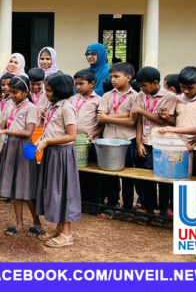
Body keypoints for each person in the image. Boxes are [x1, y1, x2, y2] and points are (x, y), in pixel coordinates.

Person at [0, 75, 39, 236]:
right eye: (10, 92)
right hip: (10, 146)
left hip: (26, 147)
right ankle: (19, 223)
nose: (11, 95)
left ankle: (37, 223)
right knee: (15, 186)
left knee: (27, 186)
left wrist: (4, 131)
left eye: (15, 92)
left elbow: (28, 132)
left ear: (25, 93)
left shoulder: (31, 108)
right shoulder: (9, 105)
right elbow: (3, 124)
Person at [35, 74, 81, 248]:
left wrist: (47, 142)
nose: (45, 93)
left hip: (62, 154)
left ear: (59, 90)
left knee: (64, 191)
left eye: (49, 90)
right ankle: (59, 228)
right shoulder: (53, 106)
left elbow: (72, 135)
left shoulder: (67, 107)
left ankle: (67, 234)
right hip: (52, 152)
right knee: (54, 190)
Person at [131, 66, 177, 224]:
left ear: (155, 83)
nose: (142, 89)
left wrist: (141, 111)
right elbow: (139, 121)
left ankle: (163, 211)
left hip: (163, 143)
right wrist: (138, 142)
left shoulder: (170, 97)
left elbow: (162, 120)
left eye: (144, 85)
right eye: (141, 86)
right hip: (145, 141)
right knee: (146, 178)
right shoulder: (141, 95)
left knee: (163, 178)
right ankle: (149, 210)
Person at [96, 62, 138, 216]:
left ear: (128, 77)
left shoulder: (136, 96)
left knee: (128, 174)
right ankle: (113, 203)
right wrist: (124, 116)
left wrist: (109, 117)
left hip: (127, 140)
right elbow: (100, 117)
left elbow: (132, 120)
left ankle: (128, 206)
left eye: (116, 76)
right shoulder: (107, 96)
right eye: (111, 76)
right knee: (110, 174)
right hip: (108, 140)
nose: (113, 79)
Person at [158, 67, 196, 179]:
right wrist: (167, 118)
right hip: (176, 146)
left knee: (193, 179)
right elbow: (175, 121)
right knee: (175, 177)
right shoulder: (176, 99)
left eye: (190, 88)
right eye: (183, 87)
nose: (186, 91)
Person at [70, 70, 103, 215]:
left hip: (90, 141)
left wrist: (94, 134)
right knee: (76, 173)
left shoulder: (98, 100)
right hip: (73, 140)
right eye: (76, 84)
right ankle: (78, 201)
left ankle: (92, 204)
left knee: (91, 173)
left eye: (81, 84)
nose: (78, 87)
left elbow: (103, 123)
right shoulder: (72, 99)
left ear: (92, 84)